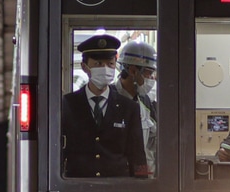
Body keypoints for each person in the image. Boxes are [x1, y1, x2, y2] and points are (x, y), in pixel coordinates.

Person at [61, 33, 148, 178]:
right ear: (85, 67)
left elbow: (137, 155)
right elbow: (60, 152)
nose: (105, 69)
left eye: (110, 64)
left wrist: (142, 189)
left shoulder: (129, 107)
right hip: (77, 189)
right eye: (98, 64)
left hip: (117, 189)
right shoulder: (68, 104)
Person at [113, 39, 158, 177]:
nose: (151, 79)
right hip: (117, 180)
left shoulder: (146, 102)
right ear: (133, 71)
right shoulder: (109, 99)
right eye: (148, 73)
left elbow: (152, 144)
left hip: (143, 178)